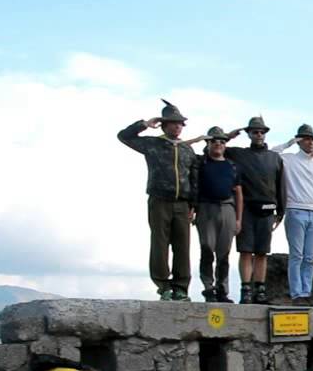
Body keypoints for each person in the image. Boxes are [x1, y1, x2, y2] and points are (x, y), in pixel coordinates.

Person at [117, 99, 199, 301]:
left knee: (183, 247)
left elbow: (194, 178)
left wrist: (193, 205)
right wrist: (145, 124)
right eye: (172, 122)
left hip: (182, 204)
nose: (177, 126)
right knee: (159, 245)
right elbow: (123, 136)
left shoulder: (188, 150)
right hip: (159, 200)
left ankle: (181, 287)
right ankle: (164, 287)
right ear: (164, 124)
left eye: (180, 123)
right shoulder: (153, 144)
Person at [224, 116, 285, 304]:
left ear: (265, 134)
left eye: (261, 132)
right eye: (254, 132)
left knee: (262, 253)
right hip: (247, 210)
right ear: (249, 134)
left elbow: (280, 184)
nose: (258, 135)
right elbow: (213, 148)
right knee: (245, 251)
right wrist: (229, 136)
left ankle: (260, 290)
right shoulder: (239, 154)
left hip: (267, 210)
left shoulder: (275, 158)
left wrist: (281, 211)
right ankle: (246, 290)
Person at [272, 124, 313, 302]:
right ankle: (296, 292)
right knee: (297, 255)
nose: (310, 142)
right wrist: (290, 142)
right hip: (295, 209)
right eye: (307, 139)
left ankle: (306, 291)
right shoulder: (289, 159)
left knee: (309, 257)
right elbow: (273, 153)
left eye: (312, 139)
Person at [193, 127, 242, 303]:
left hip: (227, 208)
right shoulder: (201, 163)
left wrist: (238, 218)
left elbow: (238, 192)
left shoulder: (232, 166)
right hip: (206, 208)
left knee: (224, 253)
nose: (218, 145)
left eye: (222, 142)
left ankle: (223, 289)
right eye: (214, 141)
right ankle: (208, 287)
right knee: (207, 248)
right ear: (208, 143)